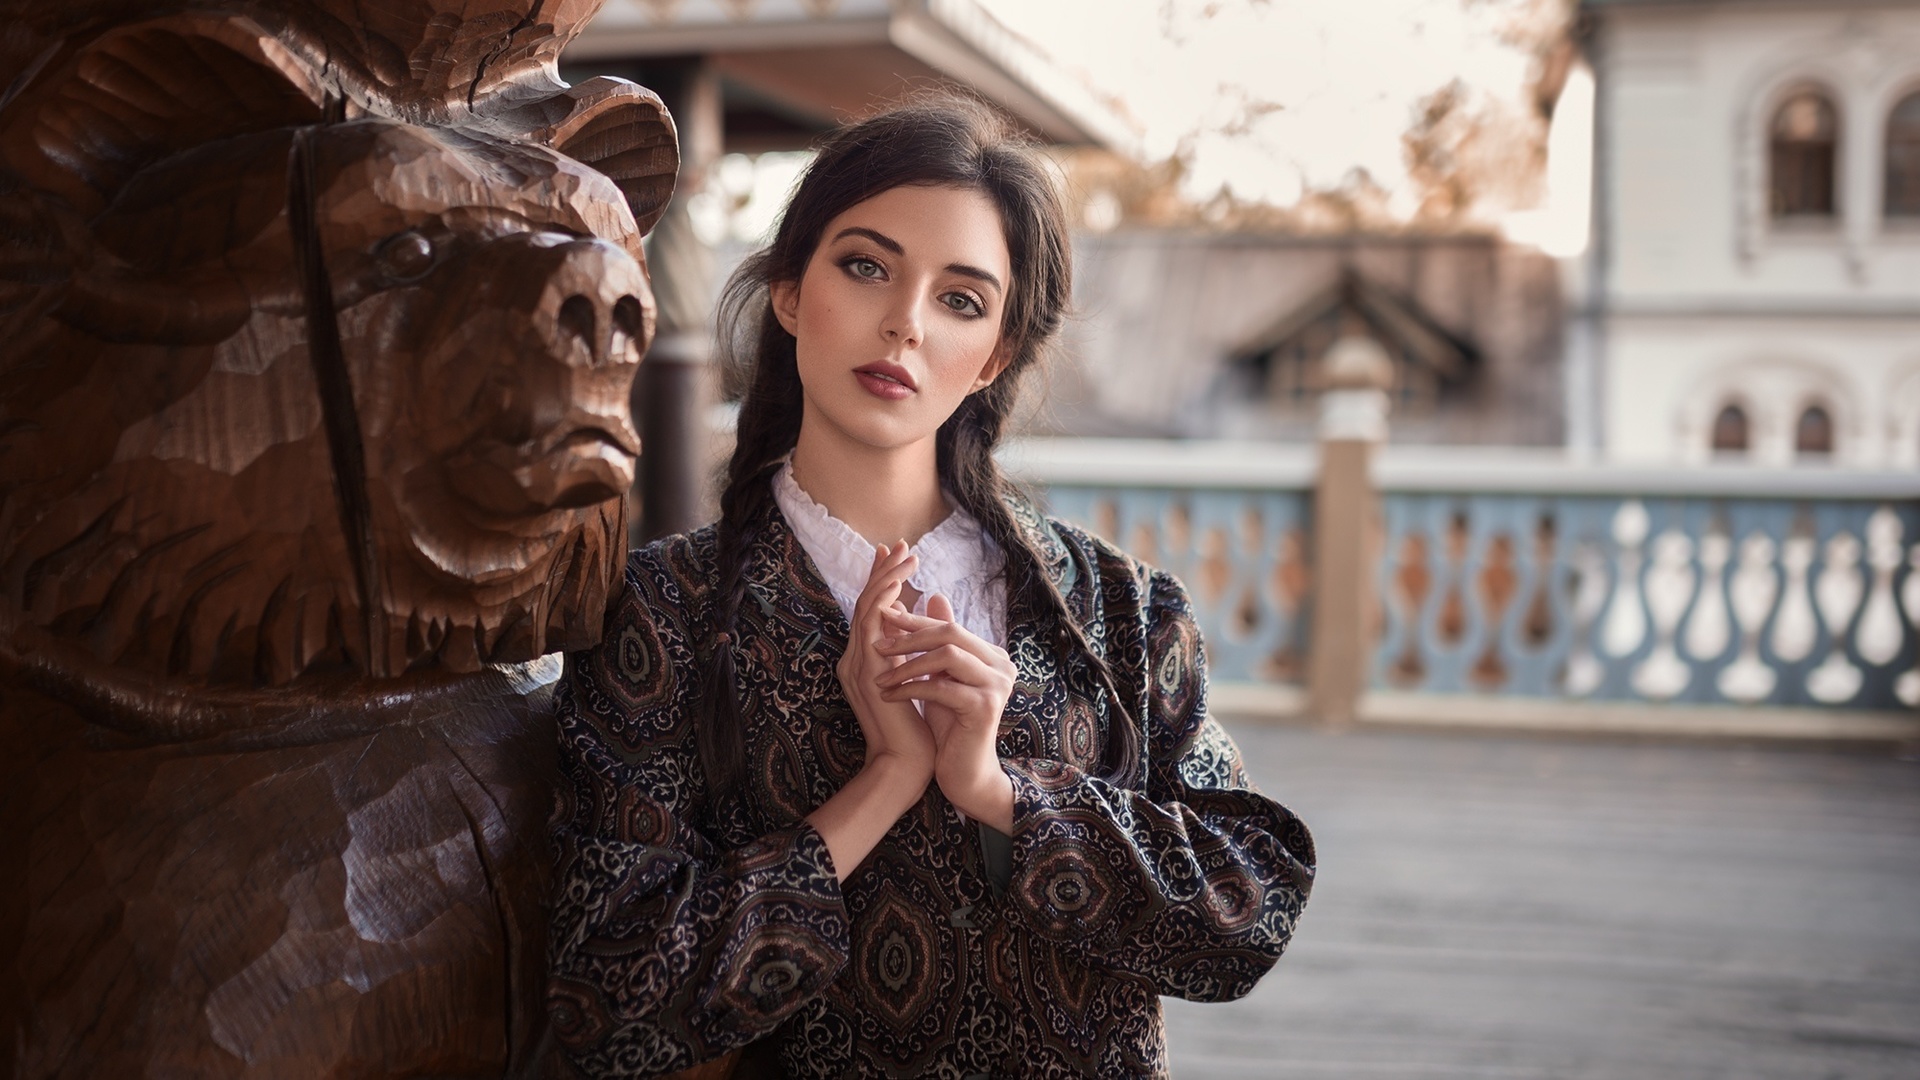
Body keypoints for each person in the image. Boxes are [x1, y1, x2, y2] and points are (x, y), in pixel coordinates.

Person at [547, 96, 1315, 1079]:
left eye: (960, 299)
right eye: (865, 266)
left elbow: (1249, 913)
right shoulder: (663, 610)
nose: (903, 324)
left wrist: (1003, 794)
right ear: (789, 290)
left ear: (995, 354)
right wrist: (880, 786)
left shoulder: (1119, 611)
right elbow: (605, 998)